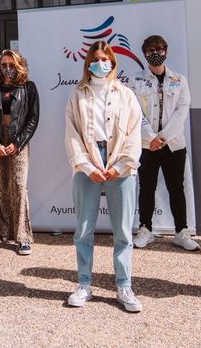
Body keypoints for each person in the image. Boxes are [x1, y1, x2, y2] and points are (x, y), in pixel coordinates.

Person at [64, 41, 143, 313]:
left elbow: (134, 134)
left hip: (119, 162)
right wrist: (88, 167)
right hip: (88, 164)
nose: (101, 63)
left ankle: (123, 285)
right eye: (95, 59)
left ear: (112, 62)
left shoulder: (126, 94)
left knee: (122, 230)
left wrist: (120, 166)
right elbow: (72, 135)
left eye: (105, 58)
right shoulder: (77, 95)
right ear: (88, 64)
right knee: (84, 230)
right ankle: (84, 284)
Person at [130, 36, 199, 251]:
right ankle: (145, 230)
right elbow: (135, 112)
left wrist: (163, 137)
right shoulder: (135, 80)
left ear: (167, 52)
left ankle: (181, 231)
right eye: (151, 50)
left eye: (159, 49)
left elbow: (181, 112)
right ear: (144, 53)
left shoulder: (180, 80)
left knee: (177, 188)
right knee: (146, 188)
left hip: (174, 144)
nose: (156, 53)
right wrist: (151, 137)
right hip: (146, 144)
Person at [0, 49, 39, 256]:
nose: (7, 69)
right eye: (4, 65)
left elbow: (32, 119)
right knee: (2, 183)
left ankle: (22, 236)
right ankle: (3, 227)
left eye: (11, 65)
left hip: (18, 143)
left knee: (19, 185)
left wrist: (18, 143)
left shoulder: (28, 88)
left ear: (19, 65)